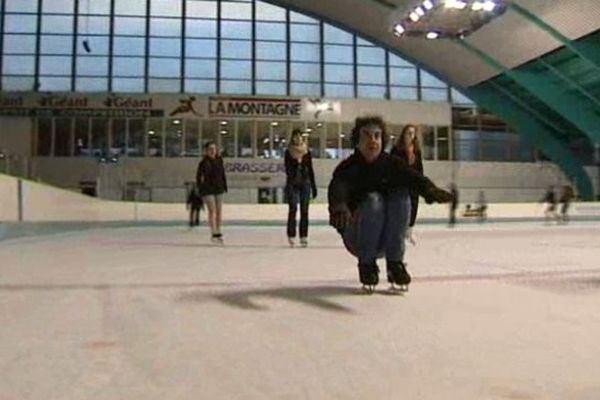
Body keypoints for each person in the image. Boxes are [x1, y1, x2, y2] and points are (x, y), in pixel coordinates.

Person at [328, 116, 453, 292]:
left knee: (402, 194)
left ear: (383, 140)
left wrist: (430, 191)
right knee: (373, 200)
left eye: (377, 136)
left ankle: (395, 264)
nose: (372, 141)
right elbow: (338, 188)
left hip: (386, 239)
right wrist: (339, 207)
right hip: (357, 238)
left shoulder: (392, 164)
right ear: (357, 140)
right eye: (367, 135)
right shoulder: (348, 168)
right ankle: (367, 265)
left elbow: (414, 178)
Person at [390, 124, 423, 245]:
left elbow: (419, 168)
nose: (411, 135)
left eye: (413, 133)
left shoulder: (416, 151)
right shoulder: (397, 150)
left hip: (413, 184)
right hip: (400, 184)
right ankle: (398, 233)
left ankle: (409, 231)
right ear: (403, 134)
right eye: (408, 132)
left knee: (413, 207)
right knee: (400, 208)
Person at [284, 129, 317, 247]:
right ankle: (291, 234)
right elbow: (287, 169)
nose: (297, 138)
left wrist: (314, 186)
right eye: (295, 136)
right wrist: (296, 161)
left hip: (305, 182)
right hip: (293, 183)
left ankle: (304, 235)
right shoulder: (288, 152)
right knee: (293, 208)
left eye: (299, 136)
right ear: (292, 138)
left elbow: (311, 169)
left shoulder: (306, 152)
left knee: (304, 210)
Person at [196, 142, 227, 243]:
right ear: (206, 151)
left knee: (219, 211)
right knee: (212, 210)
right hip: (208, 189)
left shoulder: (219, 160)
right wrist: (200, 189)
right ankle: (213, 232)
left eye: (214, 148)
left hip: (219, 188)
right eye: (210, 149)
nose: (213, 151)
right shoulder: (204, 163)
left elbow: (222, 174)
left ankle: (218, 230)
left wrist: (225, 186)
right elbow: (199, 177)